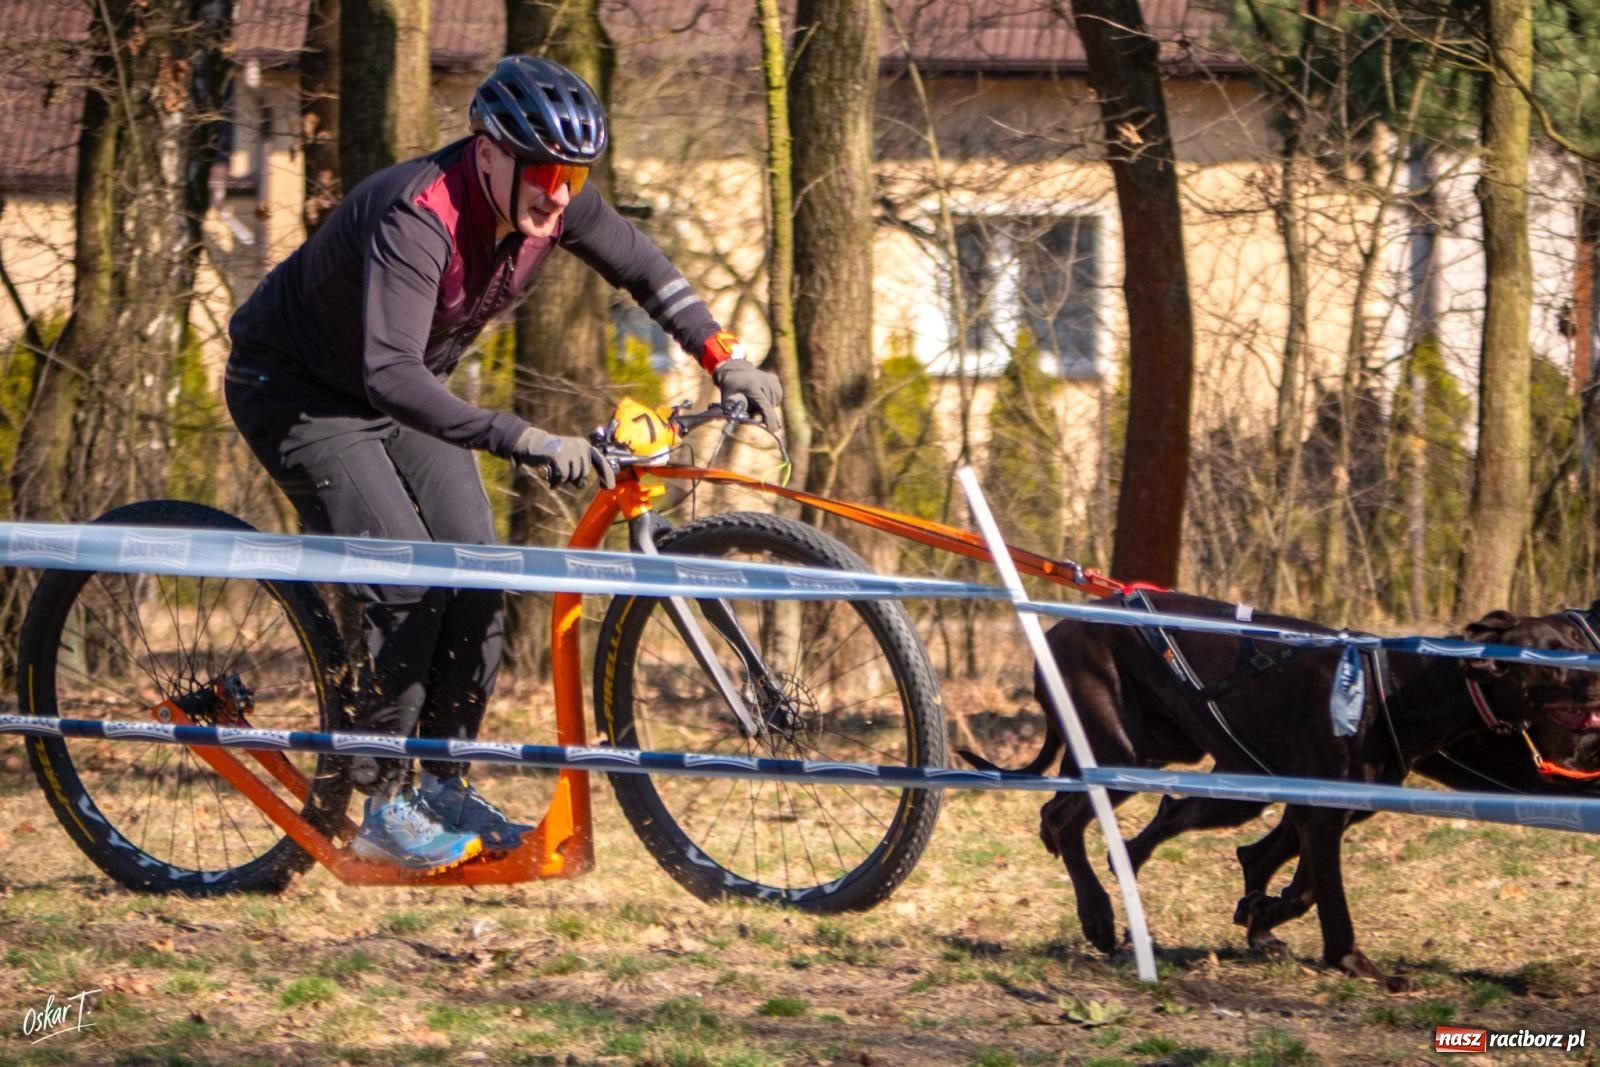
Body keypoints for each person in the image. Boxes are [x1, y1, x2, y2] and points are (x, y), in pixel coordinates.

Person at [224, 55, 783, 874]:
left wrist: (721, 354)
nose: (558, 192)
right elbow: (391, 375)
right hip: (301, 391)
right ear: (487, 151)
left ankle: (441, 781)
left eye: (574, 174)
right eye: (545, 169)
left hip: (399, 390)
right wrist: (522, 438)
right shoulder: (420, 217)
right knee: (408, 580)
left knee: (482, 569)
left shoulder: (559, 205)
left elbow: (647, 268)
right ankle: (383, 804)